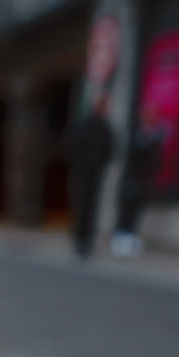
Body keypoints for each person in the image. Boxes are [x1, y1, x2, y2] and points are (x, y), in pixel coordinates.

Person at [67, 93, 114, 258]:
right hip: (82, 172)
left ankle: (87, 240)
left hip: (96, 172)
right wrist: (79, 164)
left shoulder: (105, 127)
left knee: (92, 207)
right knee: (81, 205)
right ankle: (78, 239)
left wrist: (100, 165)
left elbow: (110, 150)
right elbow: (72, 146)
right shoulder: (83, 125)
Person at [112, 110, 163, 257]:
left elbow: (156, 161)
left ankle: (130, 239)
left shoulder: (154, 139)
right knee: (126, 209)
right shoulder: (136, 137)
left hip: (144, 181)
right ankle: (120, 238)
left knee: (136, 211)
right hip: (132, 179)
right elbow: (129, 159)